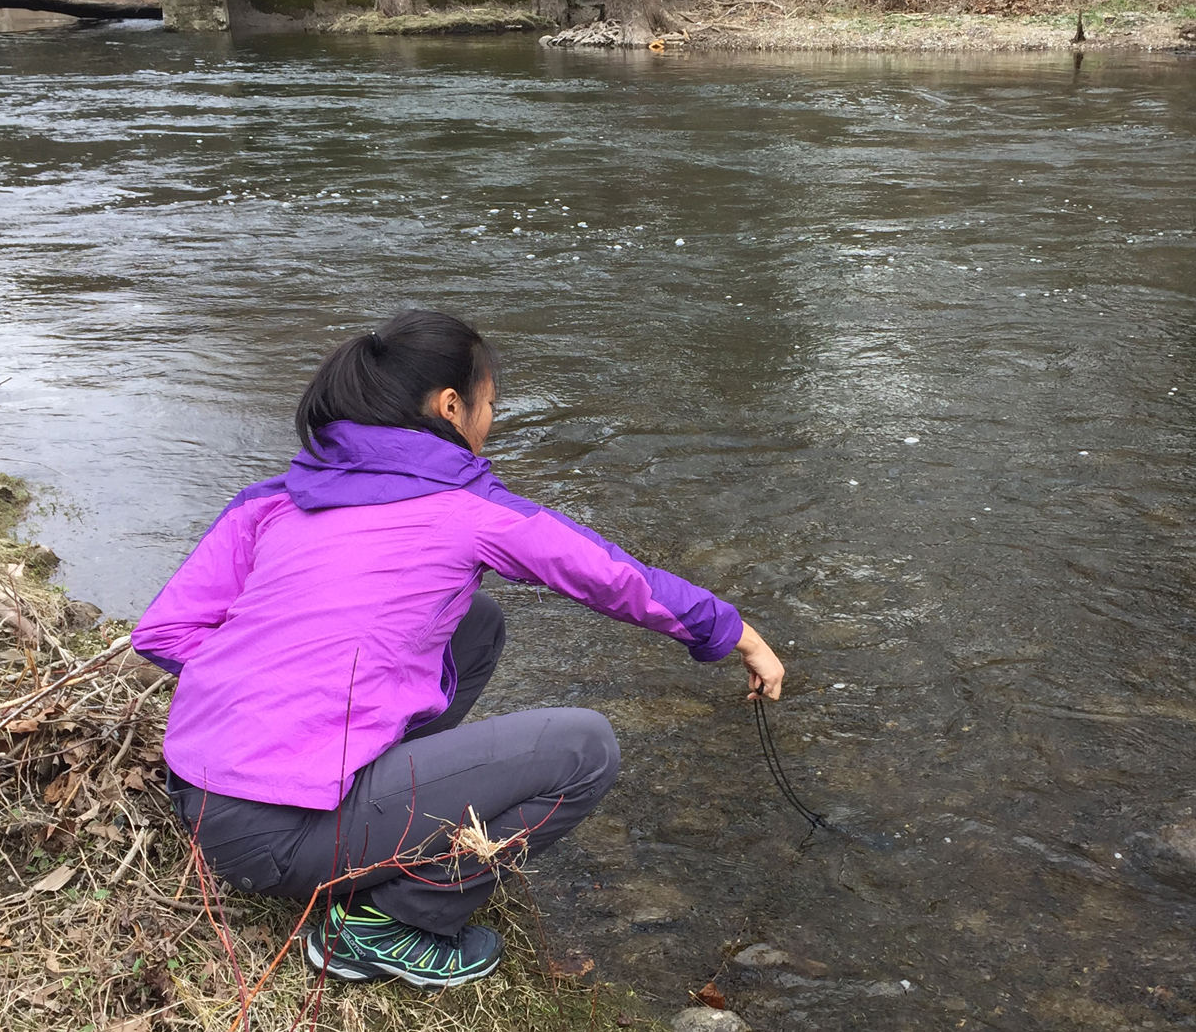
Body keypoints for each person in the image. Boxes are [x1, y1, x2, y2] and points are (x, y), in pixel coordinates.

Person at [132, 311, 786, 989]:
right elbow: (611, 576)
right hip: (279, 842)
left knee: (477, 623)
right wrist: (737, 632)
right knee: (584, 747)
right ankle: (389, 924)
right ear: (451, 406)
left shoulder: (272, 501)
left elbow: (165, 631)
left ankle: (366, 810)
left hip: (202, 803)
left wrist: (268, 688)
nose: (489, 421)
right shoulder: (466, 508)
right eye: (490, 406)